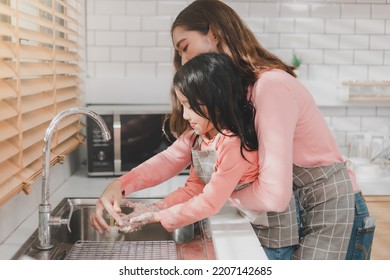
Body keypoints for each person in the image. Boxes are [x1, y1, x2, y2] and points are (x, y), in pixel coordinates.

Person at [90, 0, 374, 260]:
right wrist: (122, 185)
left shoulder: (269, 87)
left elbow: (273, 194)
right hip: (298, 212)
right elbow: (176, 154)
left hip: (332, 211)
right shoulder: (231, 99)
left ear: (213, 34)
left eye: (185, 47)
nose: (185, 61)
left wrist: (213, 195)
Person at [114, 52, 259, 233]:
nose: (184, 115)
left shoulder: (232, 145)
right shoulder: (201, 138)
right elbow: (194, 189)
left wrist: (159, 216)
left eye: (190, 106)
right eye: (183, 106)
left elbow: (209, 202)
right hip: (242, 220)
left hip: (266, 229)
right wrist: (156, 208)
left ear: (216, 101)